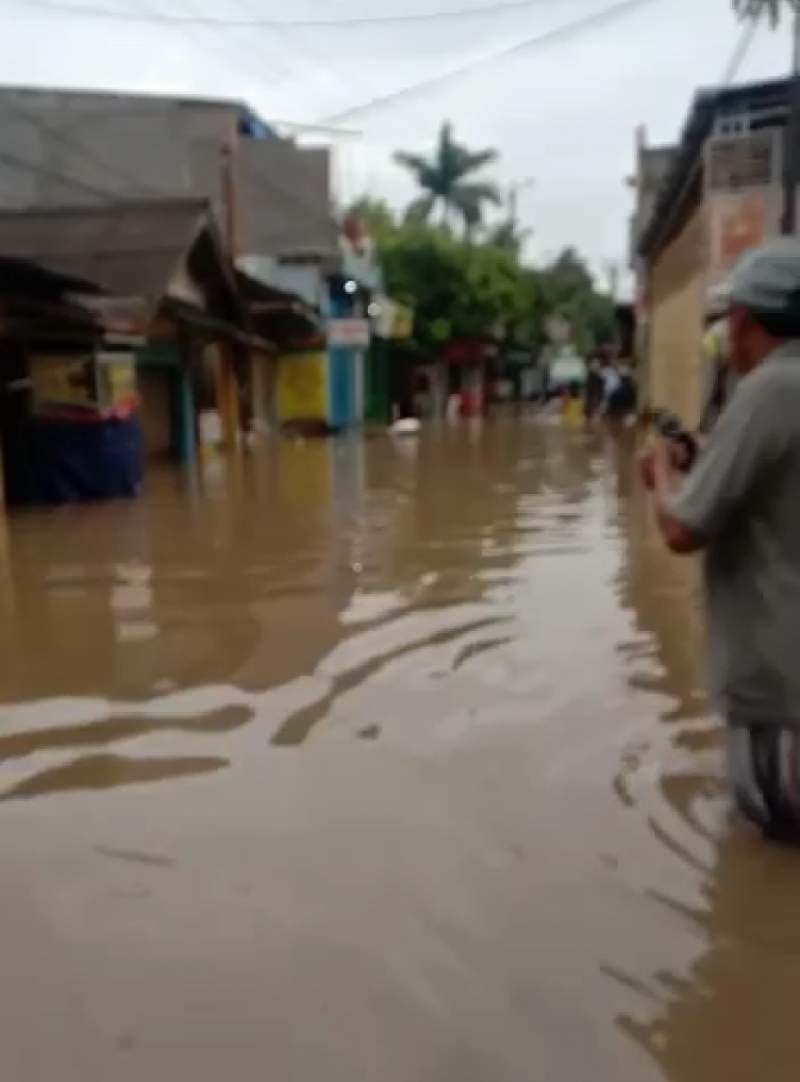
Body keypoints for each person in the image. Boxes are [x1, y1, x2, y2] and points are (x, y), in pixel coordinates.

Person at [640, 238, 800, 843]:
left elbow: (683, 528)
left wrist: (660, 479)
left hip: (781, 694)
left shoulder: (769, 390)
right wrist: (703, 460)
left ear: (741, 322)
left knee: (771, 857)